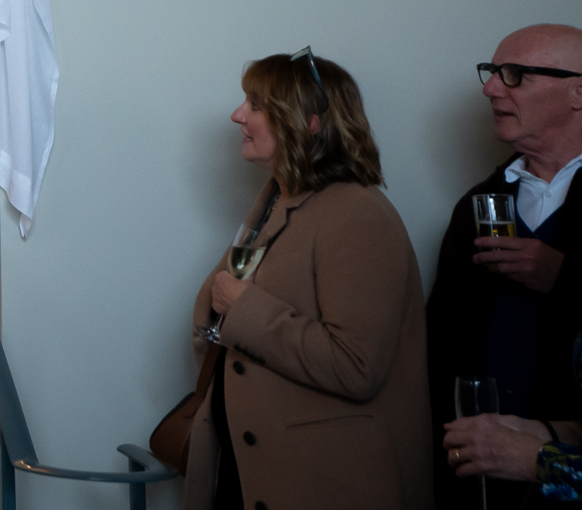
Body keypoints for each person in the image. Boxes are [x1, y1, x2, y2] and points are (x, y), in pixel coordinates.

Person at [183, 50, 432, 510]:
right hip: (255, 468)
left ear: (309, 123)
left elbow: (355, 366)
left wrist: (243, 308)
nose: (237, 115)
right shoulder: (278, 198)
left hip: (322, 482)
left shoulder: (358, 214)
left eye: (256, 106)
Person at [426, 24, 582, 509]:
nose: (490, 88)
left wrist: (565, 278)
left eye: (515, 74)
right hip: (478, 471)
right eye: (492, 72)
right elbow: (440, 341)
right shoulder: (477, 204)